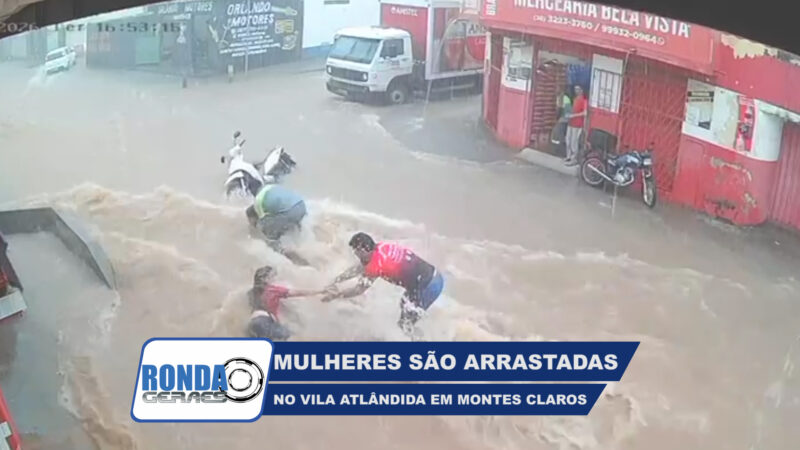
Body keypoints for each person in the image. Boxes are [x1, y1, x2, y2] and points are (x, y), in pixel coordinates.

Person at [321, 232, 444, 334]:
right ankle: (419, 336)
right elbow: (359, 268)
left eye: (355, 251)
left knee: (404, 326)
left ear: (362, 250)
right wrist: (336, 280)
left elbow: (359, 290)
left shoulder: (376, 265)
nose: (355, 254)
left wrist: (335, 296)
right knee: (405, 304)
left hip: (428, 286)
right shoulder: (380, 247)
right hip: (434, 276)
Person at [245, 265, 322, 340]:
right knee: (294, 337)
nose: (274, 279)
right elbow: (298, 292)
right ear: (266, 279)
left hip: (251, 325)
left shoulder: (251, 293)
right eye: (272, 277)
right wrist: (320, 291)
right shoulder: (272, 290)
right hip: (265, 322)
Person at [246, 183, 310, 265]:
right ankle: (303, 249)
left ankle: (295, 262)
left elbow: (264, 222)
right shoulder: (268, 188)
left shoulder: (258, 204)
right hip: (301, 205)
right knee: (294, 234)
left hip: (288, 212)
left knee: (272, 243)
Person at [564, 85, 587, 166]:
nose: (576, 91)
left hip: (577, 124)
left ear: (582, 90)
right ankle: (568, 156)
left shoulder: (584, 100)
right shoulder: (575, 99)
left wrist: (573, 115)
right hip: (571, 123)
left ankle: (574, 159)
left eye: (578, 89)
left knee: (574, 142)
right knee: (568, 140)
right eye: (575, 89)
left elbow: (585, 113)